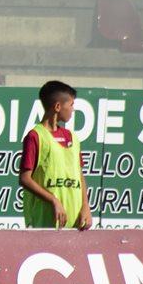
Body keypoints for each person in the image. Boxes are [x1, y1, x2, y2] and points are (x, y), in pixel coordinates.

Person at [18, 80, 93, 230]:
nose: (73, 109)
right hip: (46, 222)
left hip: (75, 223)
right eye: (71, 105)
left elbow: (79, 175)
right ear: (58, 107)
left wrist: (86, 207)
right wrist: (53, 200)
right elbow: (25, 178)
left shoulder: (72, 137)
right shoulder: (35, 136)